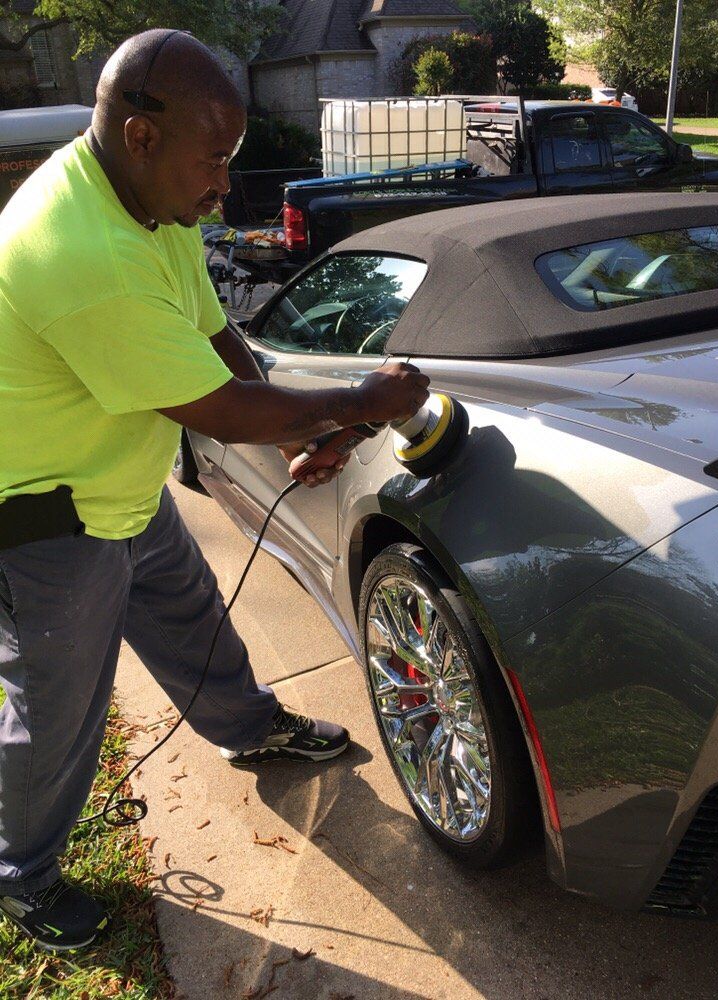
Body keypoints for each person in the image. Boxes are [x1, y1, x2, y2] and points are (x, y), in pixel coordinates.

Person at [0, 29, 430, 952]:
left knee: (188, 610)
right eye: (216, 160)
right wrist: (362, 399)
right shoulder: (78, 251)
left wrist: (298, 436)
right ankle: (21, 874)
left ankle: (249, 728)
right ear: (143, 136)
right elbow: (219, 407)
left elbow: (215, 338)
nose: (224, 186)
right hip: (43, 514)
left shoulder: (150, 206)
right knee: (54, 707)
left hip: (115, 483)